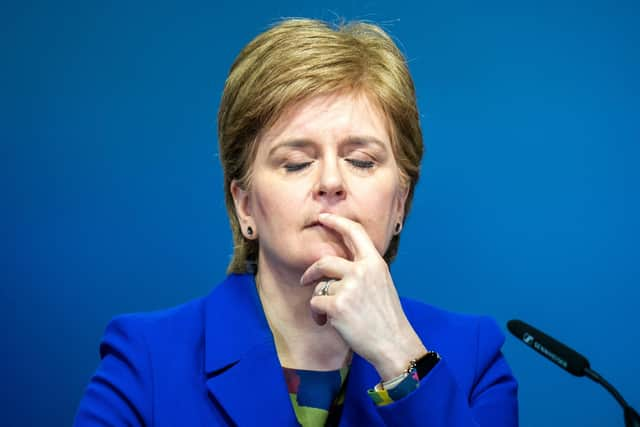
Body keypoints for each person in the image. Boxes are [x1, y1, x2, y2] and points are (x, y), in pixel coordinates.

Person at [74, 18, 518, 426]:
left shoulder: (472, 354)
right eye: (296, 163)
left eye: (361, 161)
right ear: (244, 205)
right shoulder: (145, 360)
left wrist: (400, 355)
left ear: (400, 202)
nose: (330, 181)